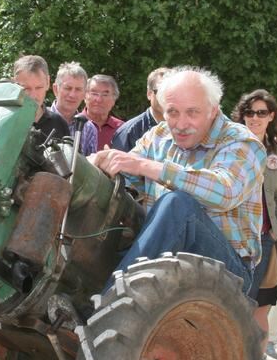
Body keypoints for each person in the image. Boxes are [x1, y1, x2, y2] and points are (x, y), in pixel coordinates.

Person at [90, 66, 264, 290]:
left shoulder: (242, 143)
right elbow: (124, 174)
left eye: (192, 112)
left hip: (228, 271)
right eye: (172, 112)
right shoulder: (158, 136)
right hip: (167, 257)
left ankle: (110, 303)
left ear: (213, 110)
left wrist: (150, 167)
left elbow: (225, 192)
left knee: (178, 203)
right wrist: (98, 165)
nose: (181, 124)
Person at [231, 90, 277, 360]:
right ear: (241, 116)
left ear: (272, 116)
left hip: (264, 238)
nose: (255, 118)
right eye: (250, 112)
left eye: (261, 112)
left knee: (258, 306)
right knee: (233, 303)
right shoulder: (230, 146)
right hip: (234, 236)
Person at [11, 55, 70, 139]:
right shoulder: (5, 123)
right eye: (26, 88)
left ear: (47, 82)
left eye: (39, 88)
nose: (33, 95)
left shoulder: (59, 124)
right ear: (15, 85)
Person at [111, 67, 169, 151]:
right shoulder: (129, 132)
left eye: (171, 91)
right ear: (149, 94)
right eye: (160, 91)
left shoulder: (184, 127)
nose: (166, 97)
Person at [49, 61, 98, 154]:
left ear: (84, 93)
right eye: (68, 88)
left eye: (78, 89)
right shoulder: (39, 120)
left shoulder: (89, 129)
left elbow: (90, 166)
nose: (72, 95)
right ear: (55, 89)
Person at [84, 74, 123, 149]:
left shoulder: (122, 129)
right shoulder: (74, 124)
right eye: (94, 93)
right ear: (85, 96)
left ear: (114, 100)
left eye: (105, 95)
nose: (99, 99)